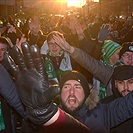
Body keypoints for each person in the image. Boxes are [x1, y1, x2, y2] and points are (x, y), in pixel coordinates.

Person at [4, 42, 133, 133]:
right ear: (59, 94)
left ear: (87, 94)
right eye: (66, 87)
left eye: (77, 87)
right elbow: (8, 91)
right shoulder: (38, 117)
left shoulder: (104, 113)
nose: (72, 91)